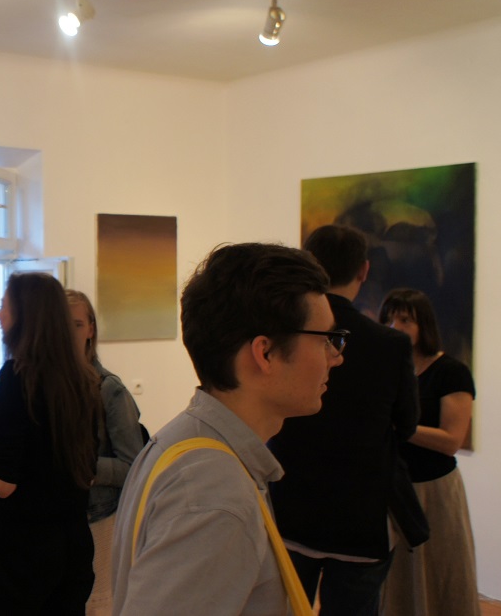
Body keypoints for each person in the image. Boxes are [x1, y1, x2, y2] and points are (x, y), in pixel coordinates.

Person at [110, 242, 341, 615]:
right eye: (325, 340)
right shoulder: (214, 494)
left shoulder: (187, 445)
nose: (336, 356)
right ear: (265, 353)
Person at [267, 225, 426, 616]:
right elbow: (406, 425)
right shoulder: (390, 344)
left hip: (292, 506)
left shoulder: (282, 335)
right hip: (360, 515)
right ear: (364, 270)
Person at [0, 272, 100, 615]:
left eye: (4, 306)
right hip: (71, 542)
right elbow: (60, 455)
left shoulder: (17, 375)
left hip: (21, 549)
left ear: (26, 314)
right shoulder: (83, 379)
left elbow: (3, 482)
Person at [379, 288, 480, 616]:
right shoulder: (388, 370)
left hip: (435, 490)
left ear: (424, 325)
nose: (394, 327)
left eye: (404, 320)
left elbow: (452, 439)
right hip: (395, 487)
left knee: (441, 571)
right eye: (389, 320)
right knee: (397, 579)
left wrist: (400, 427)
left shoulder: (451, 372)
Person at [65, 290, 145, 616]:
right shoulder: (50, 387)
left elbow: (134, 464)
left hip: (99, 518)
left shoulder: (111, 390)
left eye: (76, 324)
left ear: (91, 329)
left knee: (99, 606)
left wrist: (84, 469)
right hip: (61, 517)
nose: (68, 332)